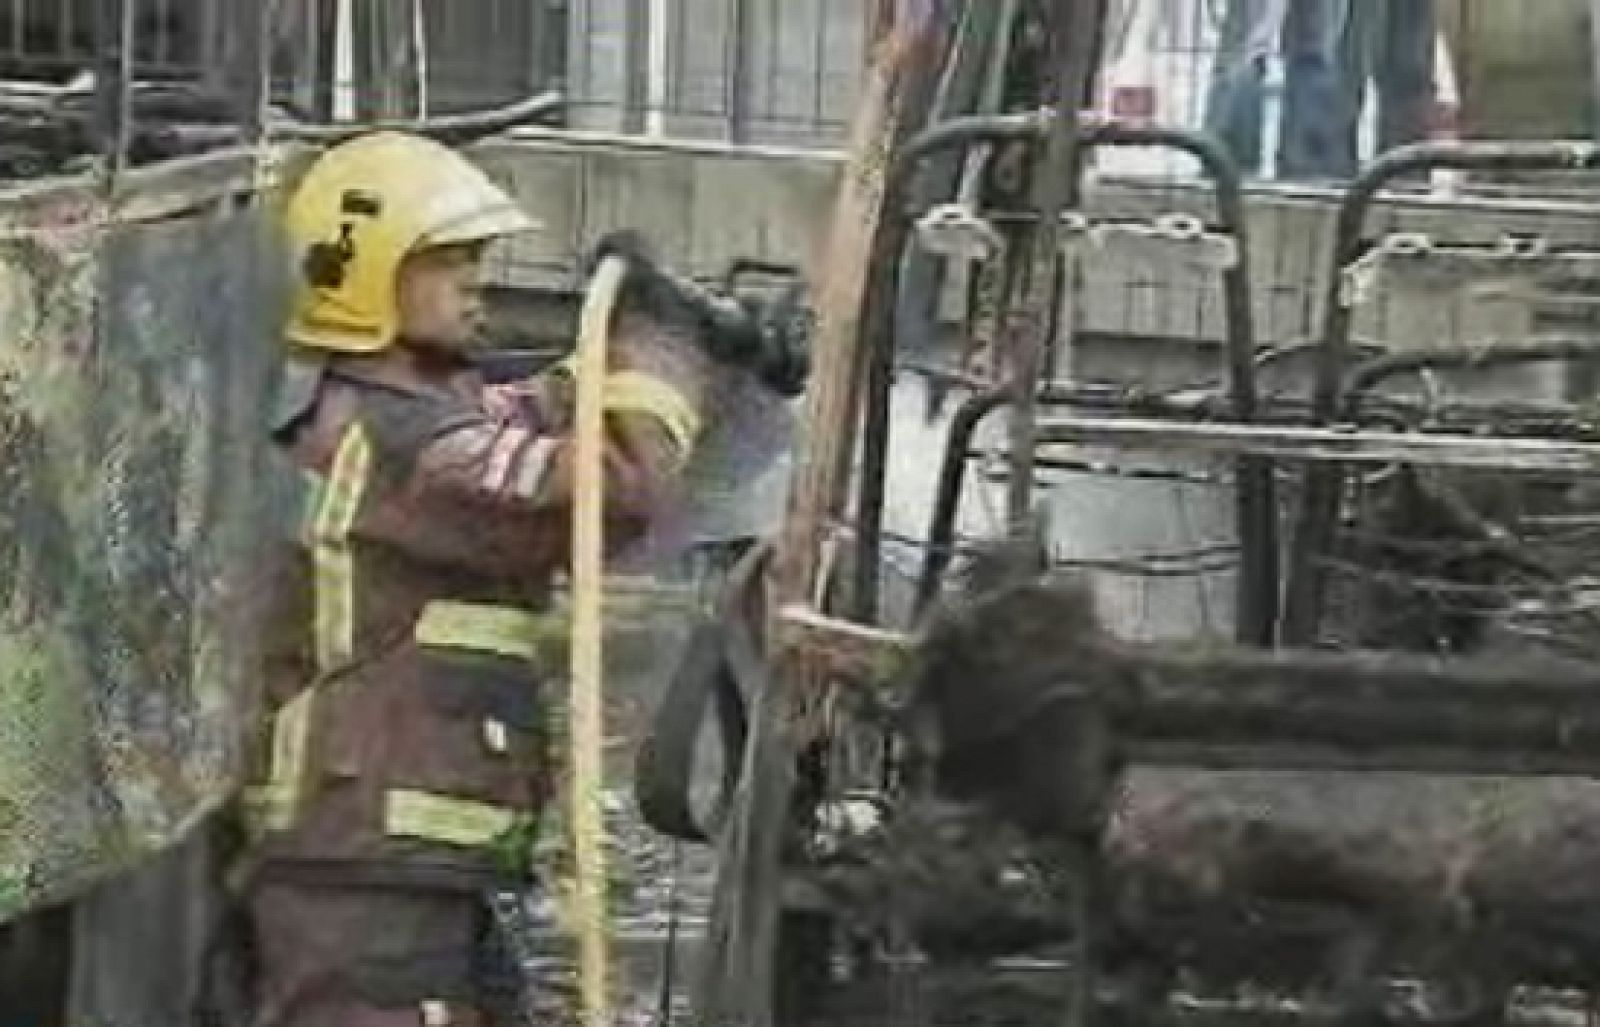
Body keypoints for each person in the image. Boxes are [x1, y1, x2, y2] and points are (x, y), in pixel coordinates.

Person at [239, 130, 798, 1026]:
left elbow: (534, 411)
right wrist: (660, 350)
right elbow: (605, 494)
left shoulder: (406, 410)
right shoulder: (390, 438)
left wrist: (660, 337)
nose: (477, 279)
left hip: (398, 860)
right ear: (364, 271)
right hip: (369, 872)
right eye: (449, 258)